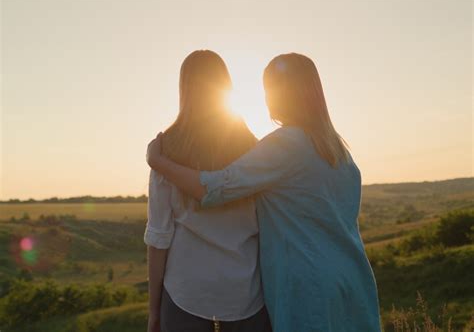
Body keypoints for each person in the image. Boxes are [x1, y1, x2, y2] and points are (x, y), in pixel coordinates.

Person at [147, 53, 382, 332]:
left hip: (306, 286)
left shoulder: (285, 145)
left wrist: (160, 163)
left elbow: (216, 187)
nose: (266, 98)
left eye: (269, 88)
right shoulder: (340, 152)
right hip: (352, 278)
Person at [144, 50, 271, 332]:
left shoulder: (166, 151)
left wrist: (154, 312)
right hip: (246, 295)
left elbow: (159, 237)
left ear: (184, 89)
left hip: (185, 295)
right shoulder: (255, 149)